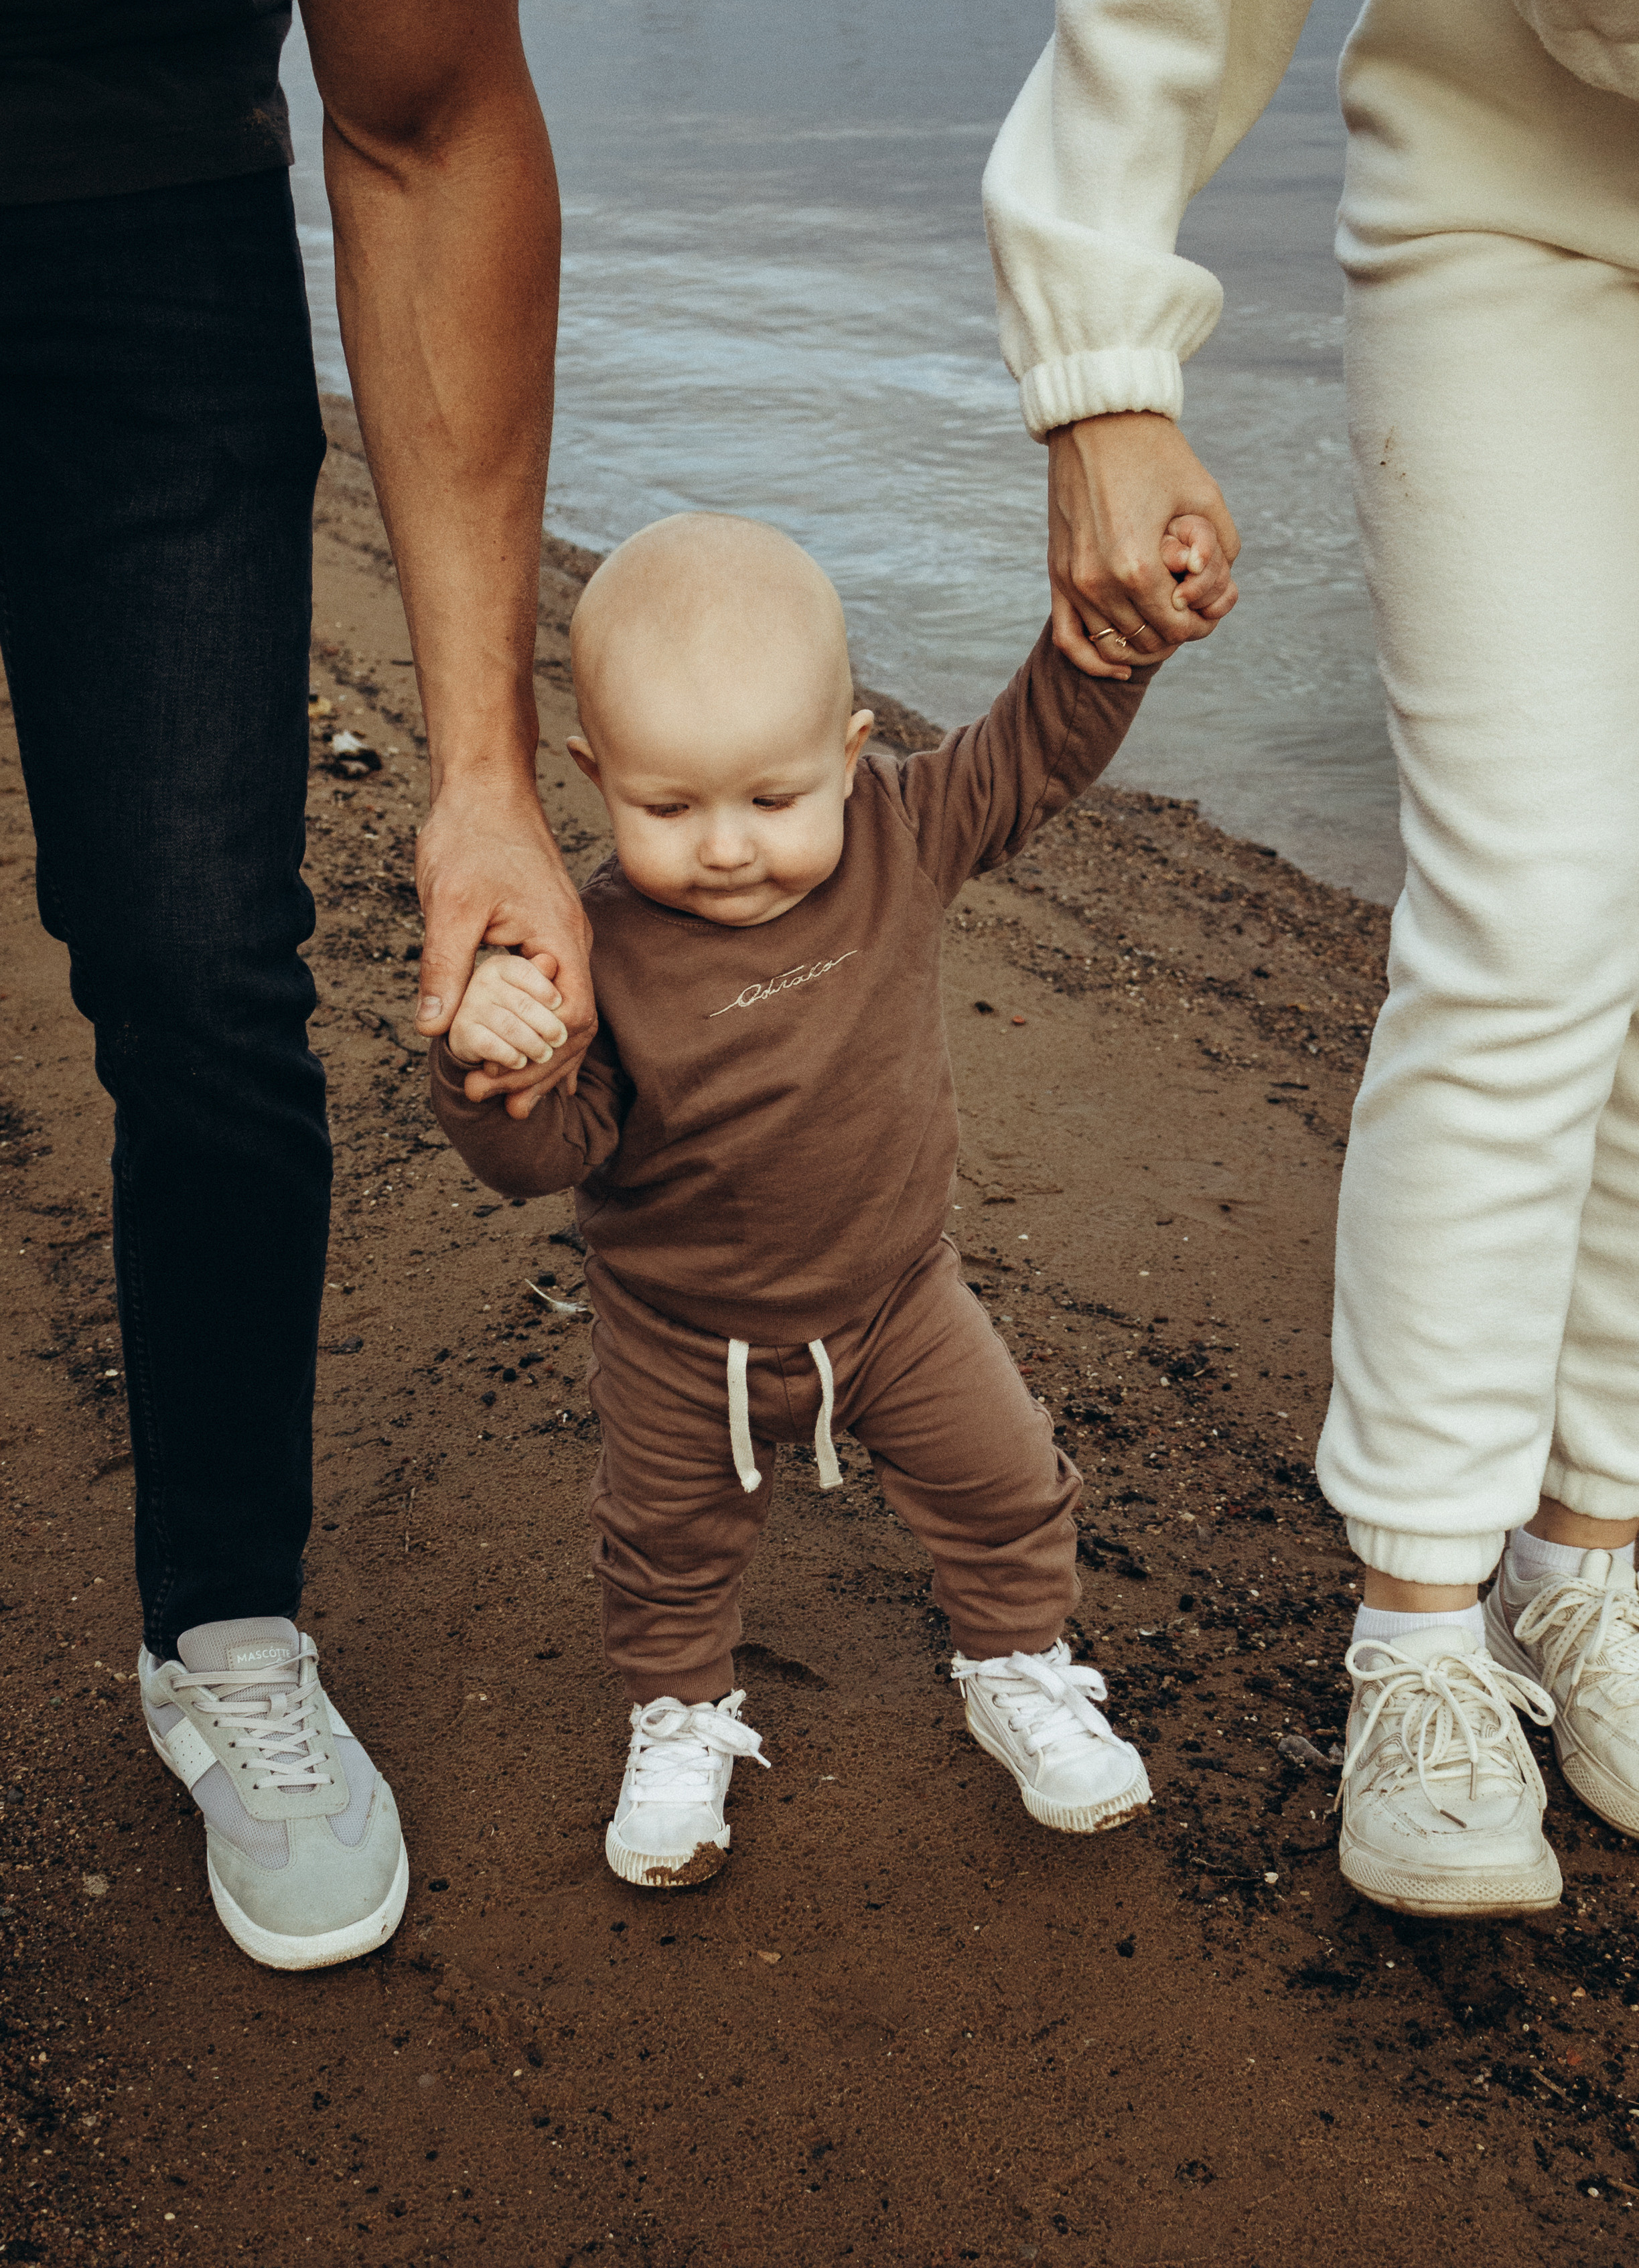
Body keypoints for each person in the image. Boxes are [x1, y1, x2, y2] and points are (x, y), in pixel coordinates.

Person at [982, 0, 1639, 1916]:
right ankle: (1423, 1633)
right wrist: (1102, 356)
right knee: (1531, 910)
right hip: (1509, 210)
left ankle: (1591, 1553)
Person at [0, 1, 593, 1970]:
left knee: (203, 975)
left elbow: (427, 124)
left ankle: (227, 1631)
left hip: (147, 235)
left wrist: (485, 779)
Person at [425, 510, 1196, 1887]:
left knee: (1006, 1484)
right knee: (665, 1547)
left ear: (849, 755)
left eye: (773, 800)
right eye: (668, 808)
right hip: (678, 1333)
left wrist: (1108, 652)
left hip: (897, 1295)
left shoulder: (899, 828)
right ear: (596, 780)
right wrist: (501, 1075)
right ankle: (679, 1717)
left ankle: (1016, 1666)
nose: (726, 847)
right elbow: (557, 1154)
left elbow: (1031, 752)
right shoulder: (590, 943)